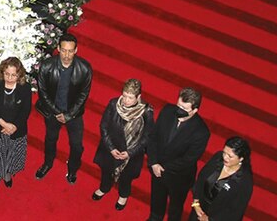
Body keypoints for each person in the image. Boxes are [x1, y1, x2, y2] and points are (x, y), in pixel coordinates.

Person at [34, 33, 92, 184]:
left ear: (76, 50)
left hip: (74, 114)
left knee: (77, 146)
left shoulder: (84, 69)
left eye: (70, 51)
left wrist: (69, 114)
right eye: (64, 50)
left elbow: (83, 95)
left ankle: (72, 170)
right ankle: (48, 163)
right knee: (50, 140)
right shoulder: (47, 66)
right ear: (58, 48)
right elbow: (43, 92)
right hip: (52, 112)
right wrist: (56, 112)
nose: (67, 55)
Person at [147, 87, 211, 221]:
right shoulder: (167, 111)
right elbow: (153, 137)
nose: (179, 110)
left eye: (184, 108)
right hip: (157, 169)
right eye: (178, 105)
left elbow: (189, 159)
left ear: (195, 110)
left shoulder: (201, 132)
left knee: (175, 209)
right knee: (156, 201)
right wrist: (153, 162)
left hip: (179, 177)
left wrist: (162, 168)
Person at [92, 78, 154, 209]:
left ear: (139, 97)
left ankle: (123, 195)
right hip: (111, 148)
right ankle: (104, 188)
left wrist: (130, 153)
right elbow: (104, 126)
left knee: (126, 177)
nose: (126, 100)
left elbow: (147, 137)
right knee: (106, 171)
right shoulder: (114, 104)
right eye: (124, 96)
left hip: (131, 153)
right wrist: (111, 148)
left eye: (130, 98)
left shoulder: (146, 112)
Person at [0, 56, 33, 187]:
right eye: (7, 74)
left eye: (13, 75)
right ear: (2, 72)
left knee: (11, 154)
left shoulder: (25, 88)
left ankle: (8, 173)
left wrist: (14, 126)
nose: (9, 78)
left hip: (16, 129)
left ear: (19, 75)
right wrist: (4, 124)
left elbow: (25, 110)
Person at [189, 137, 253, 221]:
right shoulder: (218, 157)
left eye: (230, 156)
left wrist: (210, 219)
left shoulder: (244, 181)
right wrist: (196, 202)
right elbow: (201, 177)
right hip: (198, 209)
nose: (225, 158)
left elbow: (235, 211)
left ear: (241, 159)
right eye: (224, 153)